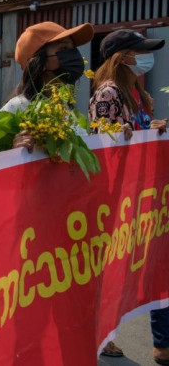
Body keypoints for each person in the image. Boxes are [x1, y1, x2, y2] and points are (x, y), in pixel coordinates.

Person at [87, 29, 168, 363]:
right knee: (114, 271)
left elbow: (136, 135)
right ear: (122, 58)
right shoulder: (108, 93)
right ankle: (101, 334)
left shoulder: (135, 92)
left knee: (156, 265)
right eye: (140, 52)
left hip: (143, 193)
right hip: (118, 196)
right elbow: (104, 146)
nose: (146, 59)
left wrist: (154, 129)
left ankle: (162, 343)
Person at [0, 22, 94, 152]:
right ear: (40, 62)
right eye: (64, 49)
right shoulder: (17, 108)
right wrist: (13, 149)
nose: (74, 55)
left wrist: (114, 137)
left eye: (73, 49)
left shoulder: (65, 109)